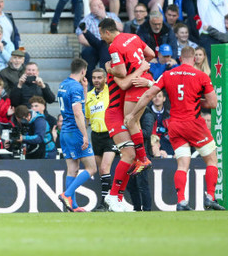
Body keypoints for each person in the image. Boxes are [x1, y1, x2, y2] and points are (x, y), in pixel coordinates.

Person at [125, 46, 225, 211]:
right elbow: (213, 104)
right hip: (194, 124)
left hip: (175, 125)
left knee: (182, 165)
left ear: (180, 57)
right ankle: (210, 197)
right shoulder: (201, 76)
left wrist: (133, 114)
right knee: (212, 160)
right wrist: (195, 100)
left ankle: (182, 202)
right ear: (194, 58)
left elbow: (149, 94)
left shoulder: (168, 74)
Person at [98, 18, 154, 212]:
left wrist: (141, 72)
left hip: (121, 112)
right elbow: (122, 84)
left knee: (129, 155)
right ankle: (113, 196)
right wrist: (141, 68)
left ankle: (119, 197)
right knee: (128, 154)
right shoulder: (114, 67)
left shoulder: (118, 56)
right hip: (114, 113)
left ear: (105, 32)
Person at [56, 58, 98, 212]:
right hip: (75, 132)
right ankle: (67, 194)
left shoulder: (63, 84)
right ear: (83, 71)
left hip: (65, 133)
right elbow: (78, 112)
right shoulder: (75, 88)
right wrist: (85, 135)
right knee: (91, 167)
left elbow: (78, 104)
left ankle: (72, 206)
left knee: (72, 169)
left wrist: (85, 89)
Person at [84, 68, 118, 210]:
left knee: (105, 168)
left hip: (110, 134)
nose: (96, 80)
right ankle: (109, 200)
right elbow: (87, 118)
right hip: (96, 135)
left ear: (105, 78)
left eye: (99, 77)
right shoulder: (89, 95)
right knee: (102, 171)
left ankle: (104, 203)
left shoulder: (109, 91)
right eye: (94, 77)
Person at [76, 0, 123, 73]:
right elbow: (81, 38)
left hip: (111, 45)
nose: (100, 6)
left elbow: (121, 28)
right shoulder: (86, 20)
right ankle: (91, 82)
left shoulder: (112, 16)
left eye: (101, 4)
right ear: (91, 9)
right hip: (92, 46)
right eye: (96, 5)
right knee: (88, 52)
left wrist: (105, 17)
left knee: (107, 48)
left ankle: (106, 78)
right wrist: (97, 44)